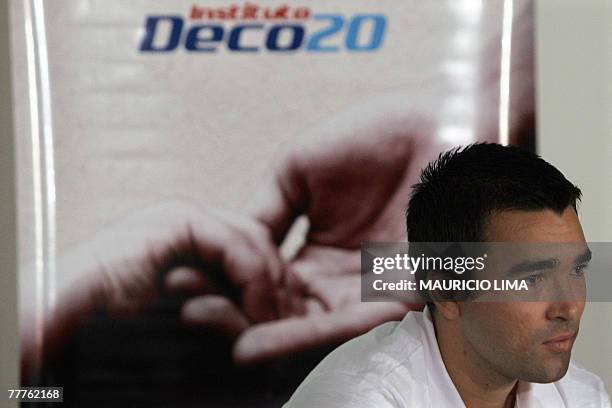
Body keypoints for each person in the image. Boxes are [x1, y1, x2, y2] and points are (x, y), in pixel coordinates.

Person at [284, 143, 611, 407]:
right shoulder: (360, 399)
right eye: (533, 279)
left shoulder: (581, 397)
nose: (569, 307)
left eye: (577, 269)